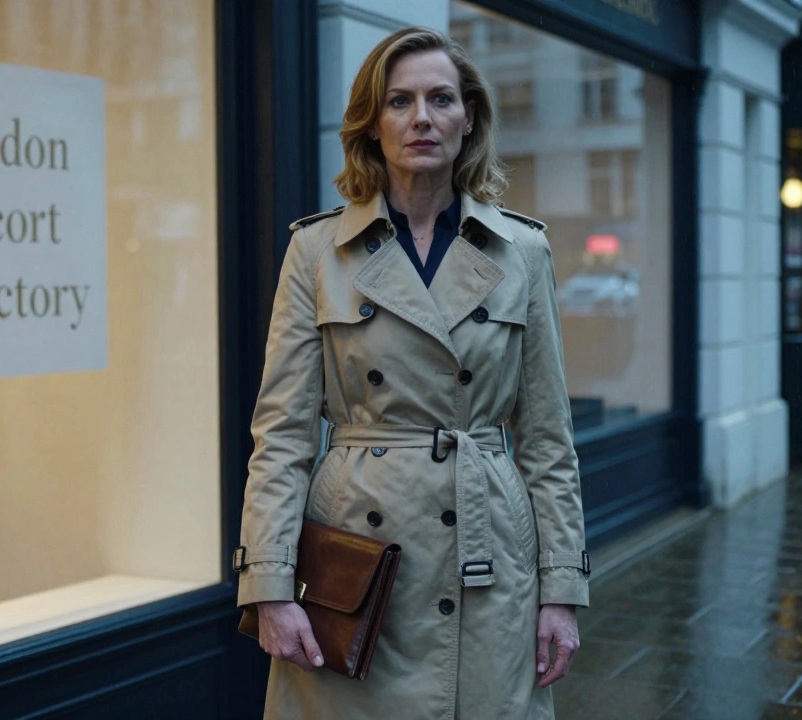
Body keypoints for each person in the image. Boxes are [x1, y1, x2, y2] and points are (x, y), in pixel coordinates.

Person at [233, 26, 589, 719]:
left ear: (469, 119)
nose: (421, 118)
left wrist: (562, 592)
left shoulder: (522, 252)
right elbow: (281, 434)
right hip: (356, 559)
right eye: (399, 101)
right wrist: (270, 587)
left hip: (487, 552)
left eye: (440, 99)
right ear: (372, 123)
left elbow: (548, 440)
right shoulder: (317, 252)